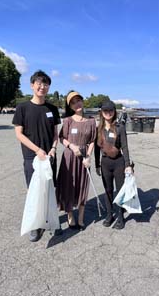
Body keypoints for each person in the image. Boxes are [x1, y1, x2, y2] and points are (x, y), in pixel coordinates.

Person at [12, 70, 61, 242]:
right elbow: (19, 134)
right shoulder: (23, 108)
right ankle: (35, 226)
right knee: (33, 191)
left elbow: (56, 134)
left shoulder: (52, 109)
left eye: (46, 84)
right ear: (32, 85)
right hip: (31, 158)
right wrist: (37, 150)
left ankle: (50, 220)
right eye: (39, 83)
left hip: (49, 156)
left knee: (49, 189)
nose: (42, 87)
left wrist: (53, 149)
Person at [56, 91, 96, 230]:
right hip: (70, 156)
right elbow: (61, 137)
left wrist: (88, 157)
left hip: (84, 157)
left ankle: (80, 217)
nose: (77, 104)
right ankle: (70, 215)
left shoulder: (91, 121)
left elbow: (92, 140)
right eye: (73, 102)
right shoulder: (68, 121)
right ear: (70, 106)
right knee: (69, 185)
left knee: (82, 185)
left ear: (82, 101)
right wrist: (71, 146)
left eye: (78, 100)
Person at [94, 100, 133, 230]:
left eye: (111, 110)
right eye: (106, 111)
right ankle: (110, 215)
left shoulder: (119, 127)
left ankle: (121, 217)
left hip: (118, 163)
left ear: (114, 112)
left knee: (120, 191)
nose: (108, 113)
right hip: (105, 163)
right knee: (108, 191)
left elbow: (125, 147)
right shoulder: (98, 129)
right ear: (102, 112)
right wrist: (97, 165)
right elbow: (95, 149)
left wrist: (127, 164)